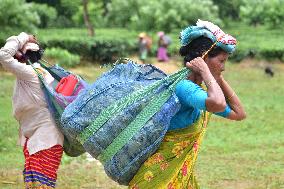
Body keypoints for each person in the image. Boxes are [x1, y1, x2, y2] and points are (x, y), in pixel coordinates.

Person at [129, 20, 246, 188]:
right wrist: (207, 72)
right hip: (157, 179)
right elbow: (219, 104)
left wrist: (217, 77)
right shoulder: (184, 88)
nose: (223, 67)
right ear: (203, 57)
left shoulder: (199, 94)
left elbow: (239, 113)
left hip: (177, 177)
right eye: (221, 61)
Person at [0, 32, 64, 188]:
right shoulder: (43, 73)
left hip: (44, 139)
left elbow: (3, 55)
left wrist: (23, 36)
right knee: (38, 185)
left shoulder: (29, 73)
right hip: (41, 138)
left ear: (22, 56)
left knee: (39, 185)